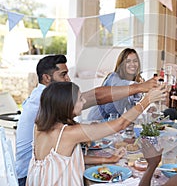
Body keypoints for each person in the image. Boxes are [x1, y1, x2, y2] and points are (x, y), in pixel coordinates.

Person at [15, 55, 158, 186]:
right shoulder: (68, 132)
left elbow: (66, 156)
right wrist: (147, 100)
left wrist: (107, 160)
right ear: (66, 104)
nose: (84, 102)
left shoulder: (43, 120)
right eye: (80, 99)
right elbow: (120, 124)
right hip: (28, 177)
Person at [88, 48, 144, 120]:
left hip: (111, 121)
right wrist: (140, 87)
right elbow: (120, 85)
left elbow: (130, 109)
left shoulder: (130, 84)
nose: (132, 64)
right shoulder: (113, 78)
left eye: (135, 61)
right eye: (128, 61)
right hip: (96, 121)